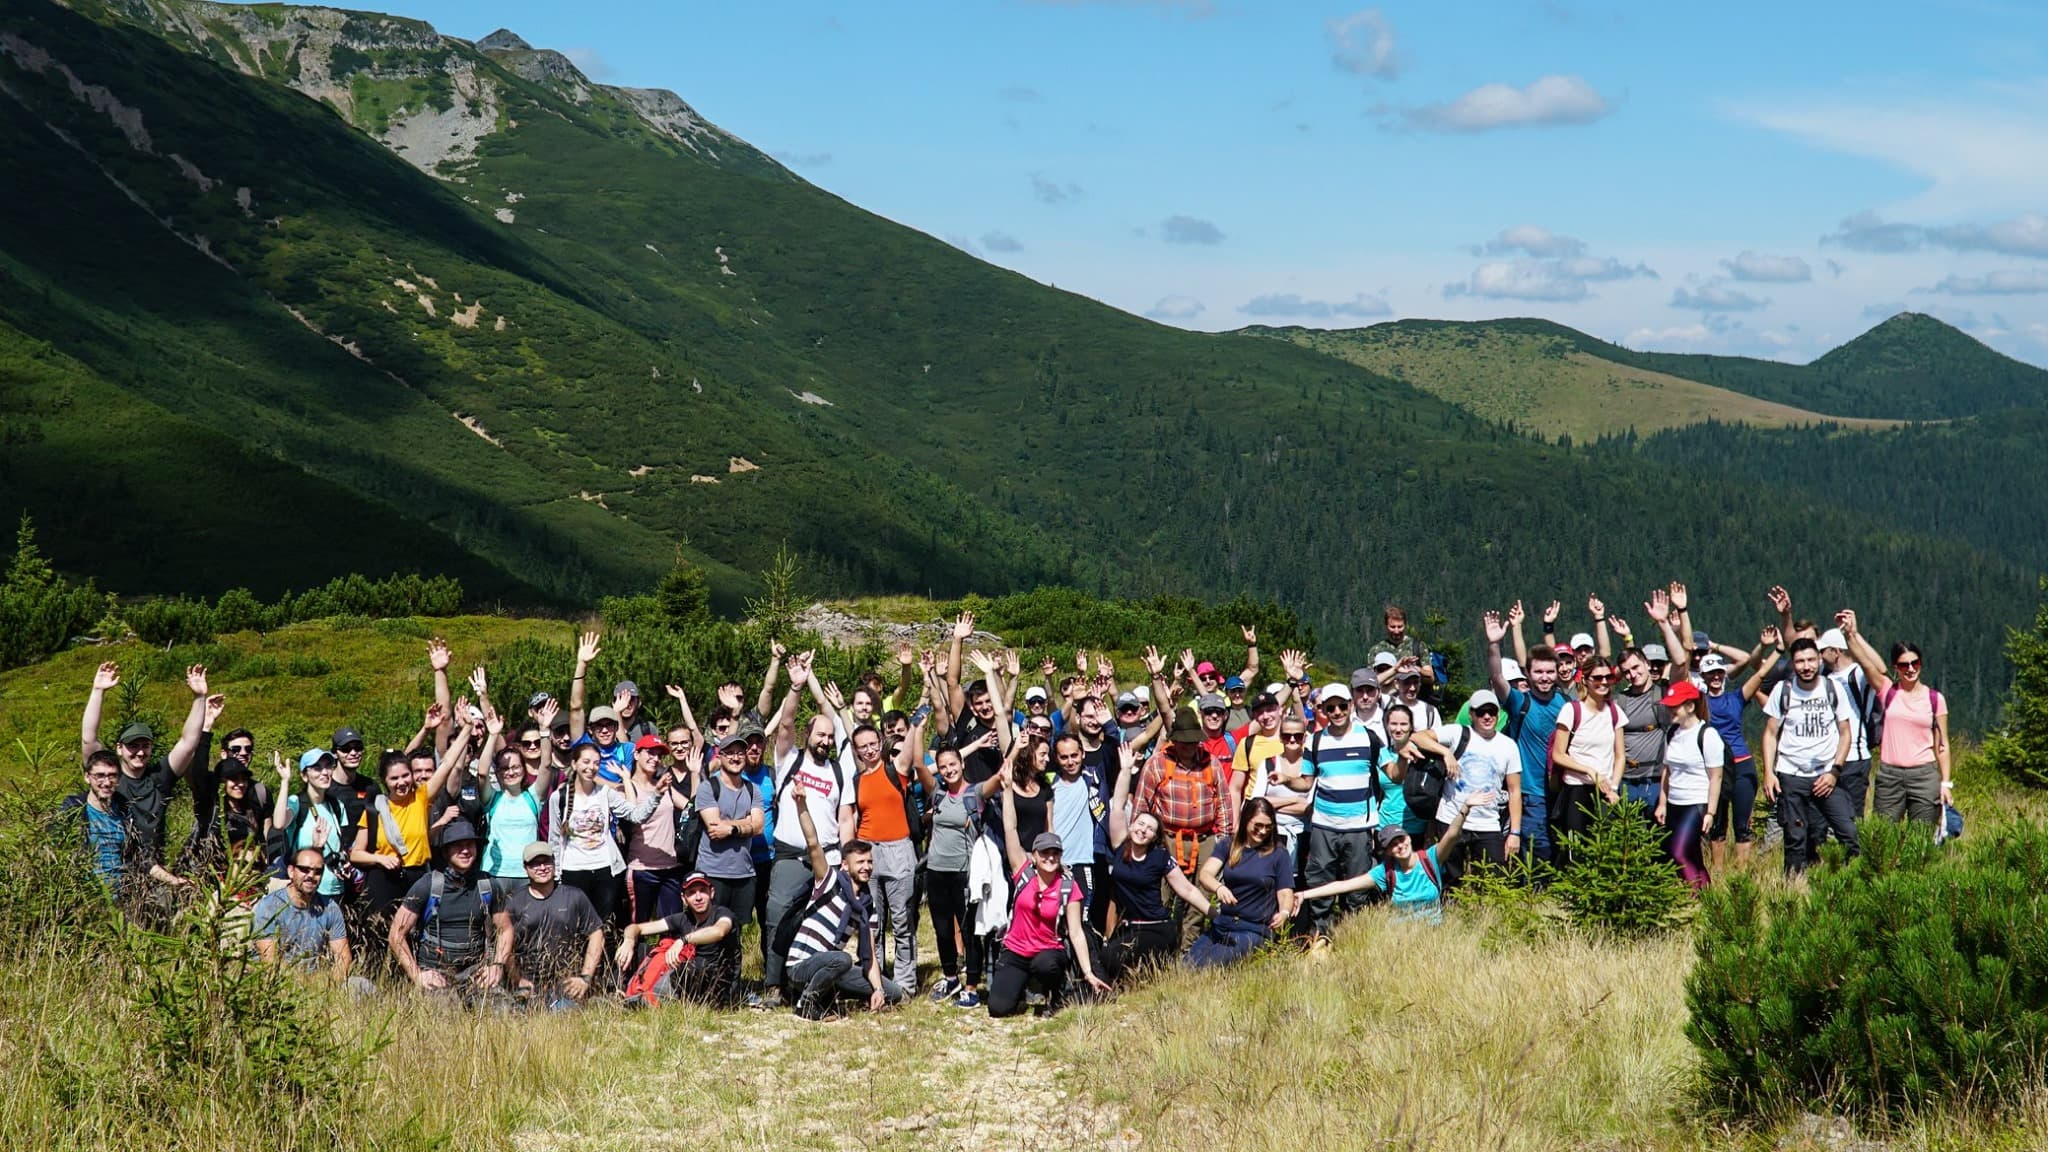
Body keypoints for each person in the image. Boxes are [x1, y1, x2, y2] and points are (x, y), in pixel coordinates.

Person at [761, 652, 854, 1000]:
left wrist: (845, 859)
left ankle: (813, 987)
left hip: (827, 859)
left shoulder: (839, 772)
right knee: (777, 918)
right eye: (820, 735)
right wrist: (796, 687)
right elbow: (784, 724)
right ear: (808, 735)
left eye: (830, 737)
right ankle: (773, 985)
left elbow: (845, 819)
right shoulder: (789, 760)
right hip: (789, 857)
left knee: (820, 923)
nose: (826, 741)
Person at [78, 661, 212, 883]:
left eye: (145, 746)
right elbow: (88, 739)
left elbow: (189, 743)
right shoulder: (109, 778)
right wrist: (98, 691)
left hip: (153, 873)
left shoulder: (160, 777)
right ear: (119, 749)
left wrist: (199, 698)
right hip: (110, 871)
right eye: (133, 746)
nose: (140, 752)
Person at [781, 775, 902, 1020]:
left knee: (893, 992)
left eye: (869, 862)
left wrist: (878, 989)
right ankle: (807, 1004)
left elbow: (869, 956)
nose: (867, 867)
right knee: (843, 958)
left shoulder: (868, 907)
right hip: (800, 965)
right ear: (845, 866)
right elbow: (813, 843)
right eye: (861, 862)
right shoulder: (829, 881)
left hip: (834, 966)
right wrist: (801, 805)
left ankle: (829, 994)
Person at [987, 784, 1110, 1016]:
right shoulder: (1022, 872)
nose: (1050, 857)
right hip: (1016, 950)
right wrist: (1008, 791)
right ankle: (1022, 988)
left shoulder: (1068, 886)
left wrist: (1088, 972)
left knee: (1046, 965)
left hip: (1047, 952)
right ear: (1034, 855)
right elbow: (1010, 829)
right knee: (998, 1009)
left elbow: (1075, 933)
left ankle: (1055, 993)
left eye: (1055, 853)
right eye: (1044, 853)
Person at [1100, 744, 1211, 983]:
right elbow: (1117, 806)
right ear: (1131, 826)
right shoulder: (1120, 845)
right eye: (1140, 824)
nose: (1143, 830)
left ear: (1154, 837)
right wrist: (1126, 770)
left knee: (1127, 960)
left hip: (1157, 927)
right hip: (1129, 927)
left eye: (1150, 829)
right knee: (1107, 958)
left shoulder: (1160, 857)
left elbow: (1188, 889)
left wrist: (1214, 913)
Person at [1296, 795, 1490, 925]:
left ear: (1409, 838)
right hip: (1401, 936)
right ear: (1388, 851)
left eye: (1402, 839)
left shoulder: (1430, 859)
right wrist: (1304, 895)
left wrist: (1465, 808)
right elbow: (1343, 885)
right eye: (1393, 845)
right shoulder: (1385, 872)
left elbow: (1451, 835)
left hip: (1434, 934)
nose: (1400, 846)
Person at [349, 737, 458, 965]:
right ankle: (381, 982)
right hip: (384, 879)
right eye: (394, 778)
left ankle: (414, 981)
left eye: (405, 775)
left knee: (415, 933)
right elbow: (356, 853)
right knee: (380, 935)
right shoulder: (375, 810)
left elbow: (447, 763)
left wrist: (467, 728)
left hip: (417, 877)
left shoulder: (420, 798)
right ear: (385, 781)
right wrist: (380, 858)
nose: (401, 782)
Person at [1840, 610, 1950, 830]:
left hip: (1924, 775)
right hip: (1890, 776)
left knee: (1921, 839)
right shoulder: (1887, 691)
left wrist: (1946, 783)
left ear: (1921, 664)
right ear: (1895, 668)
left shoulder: (1935, 699)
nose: (1910, 669)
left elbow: (1943, 744)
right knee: (1882, 837)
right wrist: (1850, 635)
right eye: (1903, 665)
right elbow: (1866, 665)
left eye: (1914, 663)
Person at [1297, 680, 1384, 943]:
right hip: (1324, 824)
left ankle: (1351, 934)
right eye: (1330, 707)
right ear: (1322, 709)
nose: (1336, 712)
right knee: (1320, 880)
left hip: (1359, 825)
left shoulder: (1368, 738)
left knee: (1357, 884)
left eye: (1341, 706)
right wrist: (1285, 780)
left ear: (1350, 706)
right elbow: (1305, 781)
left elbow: (1389, 774)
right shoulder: (1314, 741)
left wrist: (1403, 756)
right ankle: (1320, 935)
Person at [1760, 637, 1857, 875]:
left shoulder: (1832, 689)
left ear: (1819, 659)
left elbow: (1846, 733)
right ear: (1793, 664)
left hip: (1826, 775)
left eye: (1812, 660)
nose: (1807, 666)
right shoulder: (1783, 692)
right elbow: (1770, 734)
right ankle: (1793, 890)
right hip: (1791, 775)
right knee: (1795, 837)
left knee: (1848, 833)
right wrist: (1769, 773)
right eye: (1800, 661)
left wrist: (1835, 772)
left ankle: (1851, 882)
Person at [1405, 690, 1521, 885]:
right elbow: (1418, 737)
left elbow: (1514, 791)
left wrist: (1514, 833)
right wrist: (1445, 752)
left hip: (1489, 822)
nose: (1487, 717)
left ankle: (1486, 915)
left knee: (1493, 881)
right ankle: (1450, 913)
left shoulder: (1508, 746)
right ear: (1471, 714)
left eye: (1492, 711)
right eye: (1481, 712)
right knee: (1450, 880)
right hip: (1451, 818)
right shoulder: (1457, 733)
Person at [846, 719, 923, 994]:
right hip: (869, 851)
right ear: (856, 751)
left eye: (872, 744)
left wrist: (915, 723)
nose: (869, 750)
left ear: (880, 743)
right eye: (862, 747)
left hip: (899, 850)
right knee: (871, 922)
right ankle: (876, 982)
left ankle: (905, 984)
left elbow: (910, 750)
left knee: (902, 920)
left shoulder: (896, 770)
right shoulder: (857, 780)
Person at [549, 743, 659, 933]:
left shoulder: (605, 793)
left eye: (596, 763)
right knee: (575, 928)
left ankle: (604, 963)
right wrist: (556, 876)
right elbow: (554, 840)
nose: (591, 767)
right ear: (574, 764)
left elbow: (635, 815)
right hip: (572, 870)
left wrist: (657, 795)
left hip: (605, 870)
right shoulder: (558, 798)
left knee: (605, 927)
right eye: (586, 761)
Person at [1488, 608, 1567, 864]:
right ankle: (1536, 896)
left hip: (1561, 789)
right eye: (1538, 672)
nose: (1544, 678)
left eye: (1549, 672)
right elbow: (1497, 677)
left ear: (1557, 673)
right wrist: (1494, 644)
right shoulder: (1519, 702)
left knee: (1558, 845)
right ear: (1528, 674)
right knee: (1537, 847)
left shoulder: (1566, 703)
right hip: (1530, 790)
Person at [389, 820, 503, 998]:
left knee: (502, 1013)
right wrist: (417, 975)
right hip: (436, 972)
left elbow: (506, 929)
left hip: (477, 972)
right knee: (444, 1019)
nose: (465, 851)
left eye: (469, 845)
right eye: (458, 846)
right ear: (445, 852)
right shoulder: (429, 884)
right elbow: (396, 934)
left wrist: (497, 966)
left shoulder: (487, 885)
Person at [1187, 798, 1294, 968]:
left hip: (1254, 929)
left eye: (1268, 827)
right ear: (1246, 820)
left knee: (1208, 967)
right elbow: (1205, 874)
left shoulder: (1278, 854)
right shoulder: (1229, 845)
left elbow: (1286, 892)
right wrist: (1219, 887)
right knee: (1187, 966)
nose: (1262, 831)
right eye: (1257, 825)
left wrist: (1285, 912)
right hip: (1223, 923)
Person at [919, 742, 987, 1008]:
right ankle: (950, 977)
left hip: (964, 873)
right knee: (942, 929)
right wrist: (918, 727)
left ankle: (971, 985)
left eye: (953, 764)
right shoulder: (937, 794)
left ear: (963, 763)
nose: (948, 770)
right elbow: (917, 765)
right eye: (943, 766)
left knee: (969, 931)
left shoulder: (975, 793)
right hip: (935, 871)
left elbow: (996, 781)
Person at [250, 847, 372, 995]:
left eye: (317, 871)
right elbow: (270, 961)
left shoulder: (330, 907)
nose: (311, 876)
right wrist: (304, 985)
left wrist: (327, 985)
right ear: (291, 871)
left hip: (320, 983)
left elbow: (343, 957)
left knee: (363, 986)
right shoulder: (269, 907)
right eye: (304, 870)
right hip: (277, 984)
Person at [498, 842, 604, 1009]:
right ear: (525, 868)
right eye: (535, 863)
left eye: (546, 861)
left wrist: (585, 978)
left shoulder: (575, 896)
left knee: (564, 1019)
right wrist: (517, 980)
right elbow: (504, 944)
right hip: (527, 986)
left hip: (567, 983)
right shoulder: (514, 902)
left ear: (554, 863)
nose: (542, 867)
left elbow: (597, 934)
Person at [616, 872, 741, 1006]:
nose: (698, 897)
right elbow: (636, 928)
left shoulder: (723, 913)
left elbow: (719, 931)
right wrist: (628, 940)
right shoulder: (683, 918)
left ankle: (649, 1000)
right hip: (686, 983)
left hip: (718, 986)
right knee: (638, 948)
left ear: (711, 892)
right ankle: (623, 990)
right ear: (683, 898)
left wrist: (683, 940)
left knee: (695, 966)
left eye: (703, 891)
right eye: (692, 893)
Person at [693, 731, 766, 949]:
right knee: (708, 933)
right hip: (713, 872)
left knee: (735, 936)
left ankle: (733, 983)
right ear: (720, 756)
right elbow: (715, 828)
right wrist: (745, 823)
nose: (735, 758)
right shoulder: (708, 787)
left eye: (740, 753)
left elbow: (759, 827)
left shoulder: (753, 789)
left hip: (743, 873)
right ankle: (705, 981)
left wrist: (731, 828)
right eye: (730, 753)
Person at [1549, 658, 1625, 868]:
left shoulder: (1614, 711)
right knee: (1577, 848)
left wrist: (1614, 786)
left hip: (1607, 790)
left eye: (1608, 677)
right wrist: (1590, 771)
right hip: (1576, 789)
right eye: (1597, 678)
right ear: (1585, 680)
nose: (1603, 682)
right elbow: (1559, 754)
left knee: (1607, 846)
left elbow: (1620, 756)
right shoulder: (1572, 711)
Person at [1655, 681, 1723, 889]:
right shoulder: (1672, 733)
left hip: (1696, 804)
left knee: (1679, 852)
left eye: (1675, 705)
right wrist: (1663, 803)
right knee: (1693, 855)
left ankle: (1694, 898)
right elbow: (1667, 770)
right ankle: (1709, 899)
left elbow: (1716, 777)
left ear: (1690, 706)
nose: (1670, 710)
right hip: (1675, 803)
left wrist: (1710, 812)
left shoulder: (1707, 735)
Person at [622, 733, 692, 925]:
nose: (655, 759)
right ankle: (638, 956)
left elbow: (691, 807)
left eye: (659, 755)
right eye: (650, 753)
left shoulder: (664, 786)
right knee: (639, 928)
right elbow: (632, 816)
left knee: (674, 925)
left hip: (670, 867)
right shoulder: (627, 787)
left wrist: (694, 773)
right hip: (642, 869)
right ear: (636, 755)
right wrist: (627, 781)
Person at [270, 749, 353, 902]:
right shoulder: (297, 803)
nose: (324, 772)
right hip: (307, 890)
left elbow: (340, 845)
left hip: (335, 888)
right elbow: (279, 823)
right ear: (304, 775)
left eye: (328, 766)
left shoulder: (337, 805)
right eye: (317, 768)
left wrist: (345, 862)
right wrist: (284, 782)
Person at [1614, 647, 1672, 818]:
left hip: (1655, 779)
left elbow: (1682, 665)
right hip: (1625, 780)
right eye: (1627, 672)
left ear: (1647, 664)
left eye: (1636, 667)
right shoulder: (1619, 701)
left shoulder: (1663, 696)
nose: (1632, 674)